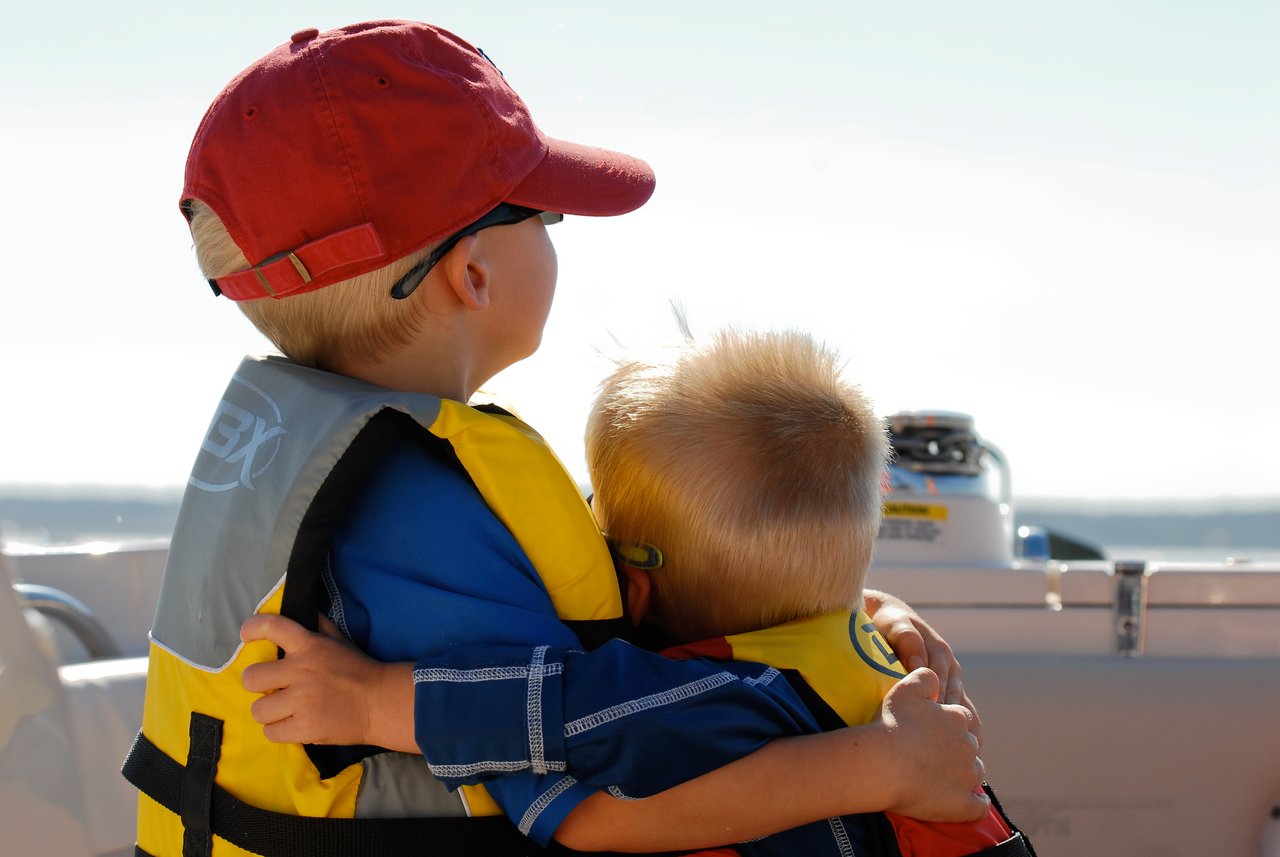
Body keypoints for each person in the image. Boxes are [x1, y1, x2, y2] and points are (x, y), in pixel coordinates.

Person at [125, 19, 986, 857]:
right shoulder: (423, 518)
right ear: (473, 274)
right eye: (543, 213)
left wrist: (859, 615)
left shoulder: (339, 455)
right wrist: (879, 761)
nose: (555, 232)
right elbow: (590, 793)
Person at [574, 328, 1033, 855]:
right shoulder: (898, 674)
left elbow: (573, 813)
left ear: (635, 588)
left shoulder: (670, 703)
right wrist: (881, 608)